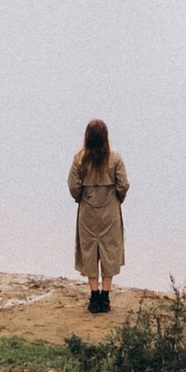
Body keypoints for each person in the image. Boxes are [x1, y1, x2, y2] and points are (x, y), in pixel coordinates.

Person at [69, 115, 129, 313]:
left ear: (87, 137)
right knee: (109, 249)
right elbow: (123, 185)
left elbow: (73, 186)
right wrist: (117, 198)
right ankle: (105, 297)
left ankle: (93, 297)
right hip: (110, 210)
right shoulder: (115, 158)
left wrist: (81, 198)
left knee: (89, 250)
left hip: (87, 211)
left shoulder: (79, 158)